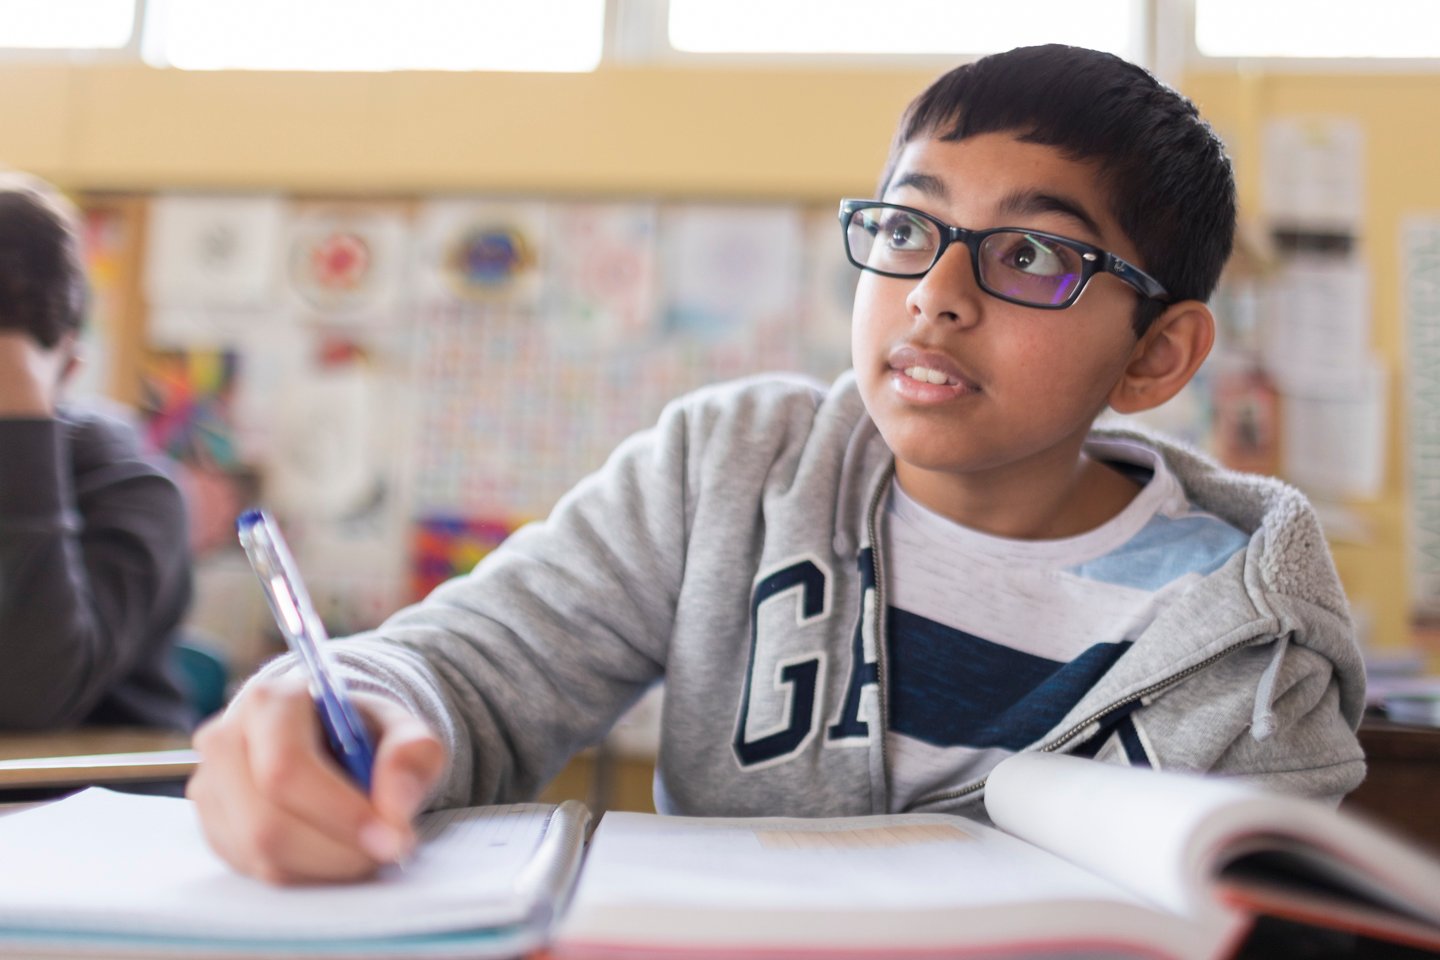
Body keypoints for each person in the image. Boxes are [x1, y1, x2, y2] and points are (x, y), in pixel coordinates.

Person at [188, 44, 1366, 885]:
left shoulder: (1253, 652)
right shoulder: (732, 469)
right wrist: (353, 710)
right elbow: (483, 663)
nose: (936, 295)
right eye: (907, 229)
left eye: (1028, 254)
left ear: (1158, 352)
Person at [0, 172, 195, 731]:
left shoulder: (133, 486)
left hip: (98, 805)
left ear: (66, 374)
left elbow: (24, 702)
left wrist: (19, 418)